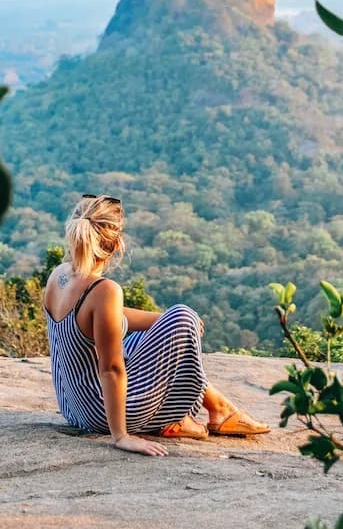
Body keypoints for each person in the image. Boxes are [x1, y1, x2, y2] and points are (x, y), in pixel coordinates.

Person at [42, 194, 270, 457]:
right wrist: (121, 437)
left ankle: (213, 410)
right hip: (99, 412)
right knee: (183, 315)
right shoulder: (105, 290)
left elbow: (107, 318)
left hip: (73, 406)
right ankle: (198, 414)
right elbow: (111, 370)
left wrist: (162, 323)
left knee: (149, 334)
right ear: (116, 245)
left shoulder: (59, 274)